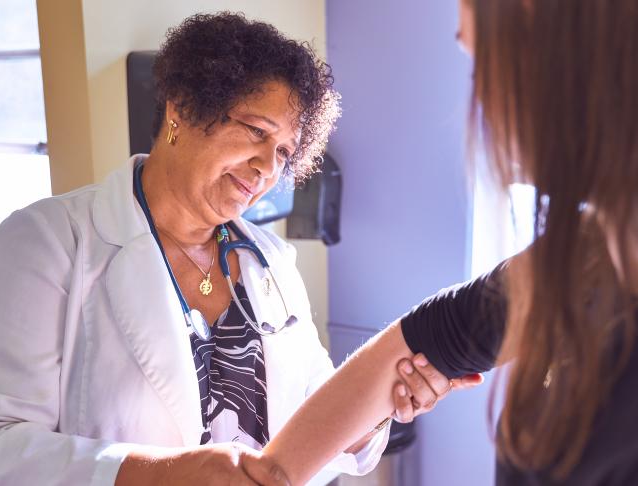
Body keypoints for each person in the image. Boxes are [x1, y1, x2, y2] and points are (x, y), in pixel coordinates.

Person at [0, 12, 478, 486]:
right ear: (183, 108)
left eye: (285, 152)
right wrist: (155, 476)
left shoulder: (270, 265)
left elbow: (315, 410)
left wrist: (384, 405)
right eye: (255, 132)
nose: (268, 169)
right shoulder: (44, 245)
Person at [262, 0, 638, 485]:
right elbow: (432, 336)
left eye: (484, 61)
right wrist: (266, 475)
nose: (482, 102)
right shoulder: (587, 253)